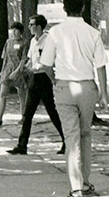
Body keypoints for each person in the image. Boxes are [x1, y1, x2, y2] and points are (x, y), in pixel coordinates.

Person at [40, 0, 108, 197]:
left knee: (71, 137)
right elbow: (101, 66)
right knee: (85, 134)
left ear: (64, 8)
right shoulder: (93, 33)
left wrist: (55, 80)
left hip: (64, 87)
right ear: (83, 5)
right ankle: (85, 182)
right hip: (87, 87)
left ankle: (76, 186)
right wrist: (103, 93)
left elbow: (45, 64)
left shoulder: (55, 33)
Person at [6, 15, 65, 156]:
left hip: (44, 79)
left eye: (32, 24)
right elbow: (30, 60)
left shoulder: (48, 40)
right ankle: (22, 145)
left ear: (39, 26)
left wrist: (38, 70)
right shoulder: (33, 41)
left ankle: (67, 140)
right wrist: (21, 70)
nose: (29, 27)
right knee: (27, 114)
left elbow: (47, 62)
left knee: (52, 112)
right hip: (34, 79)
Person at [0, 22, 28, 126]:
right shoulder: (8, 42)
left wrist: (18, 71)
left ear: (20, 31)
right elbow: (5, 57)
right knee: (2, 94)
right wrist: (2, 71)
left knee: (22, 94)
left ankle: (23, 117)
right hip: (8, 69)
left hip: (19, 71)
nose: (14, 32)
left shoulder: (24, 43)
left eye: (16, 30)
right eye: (13, 30)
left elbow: (24, 59)